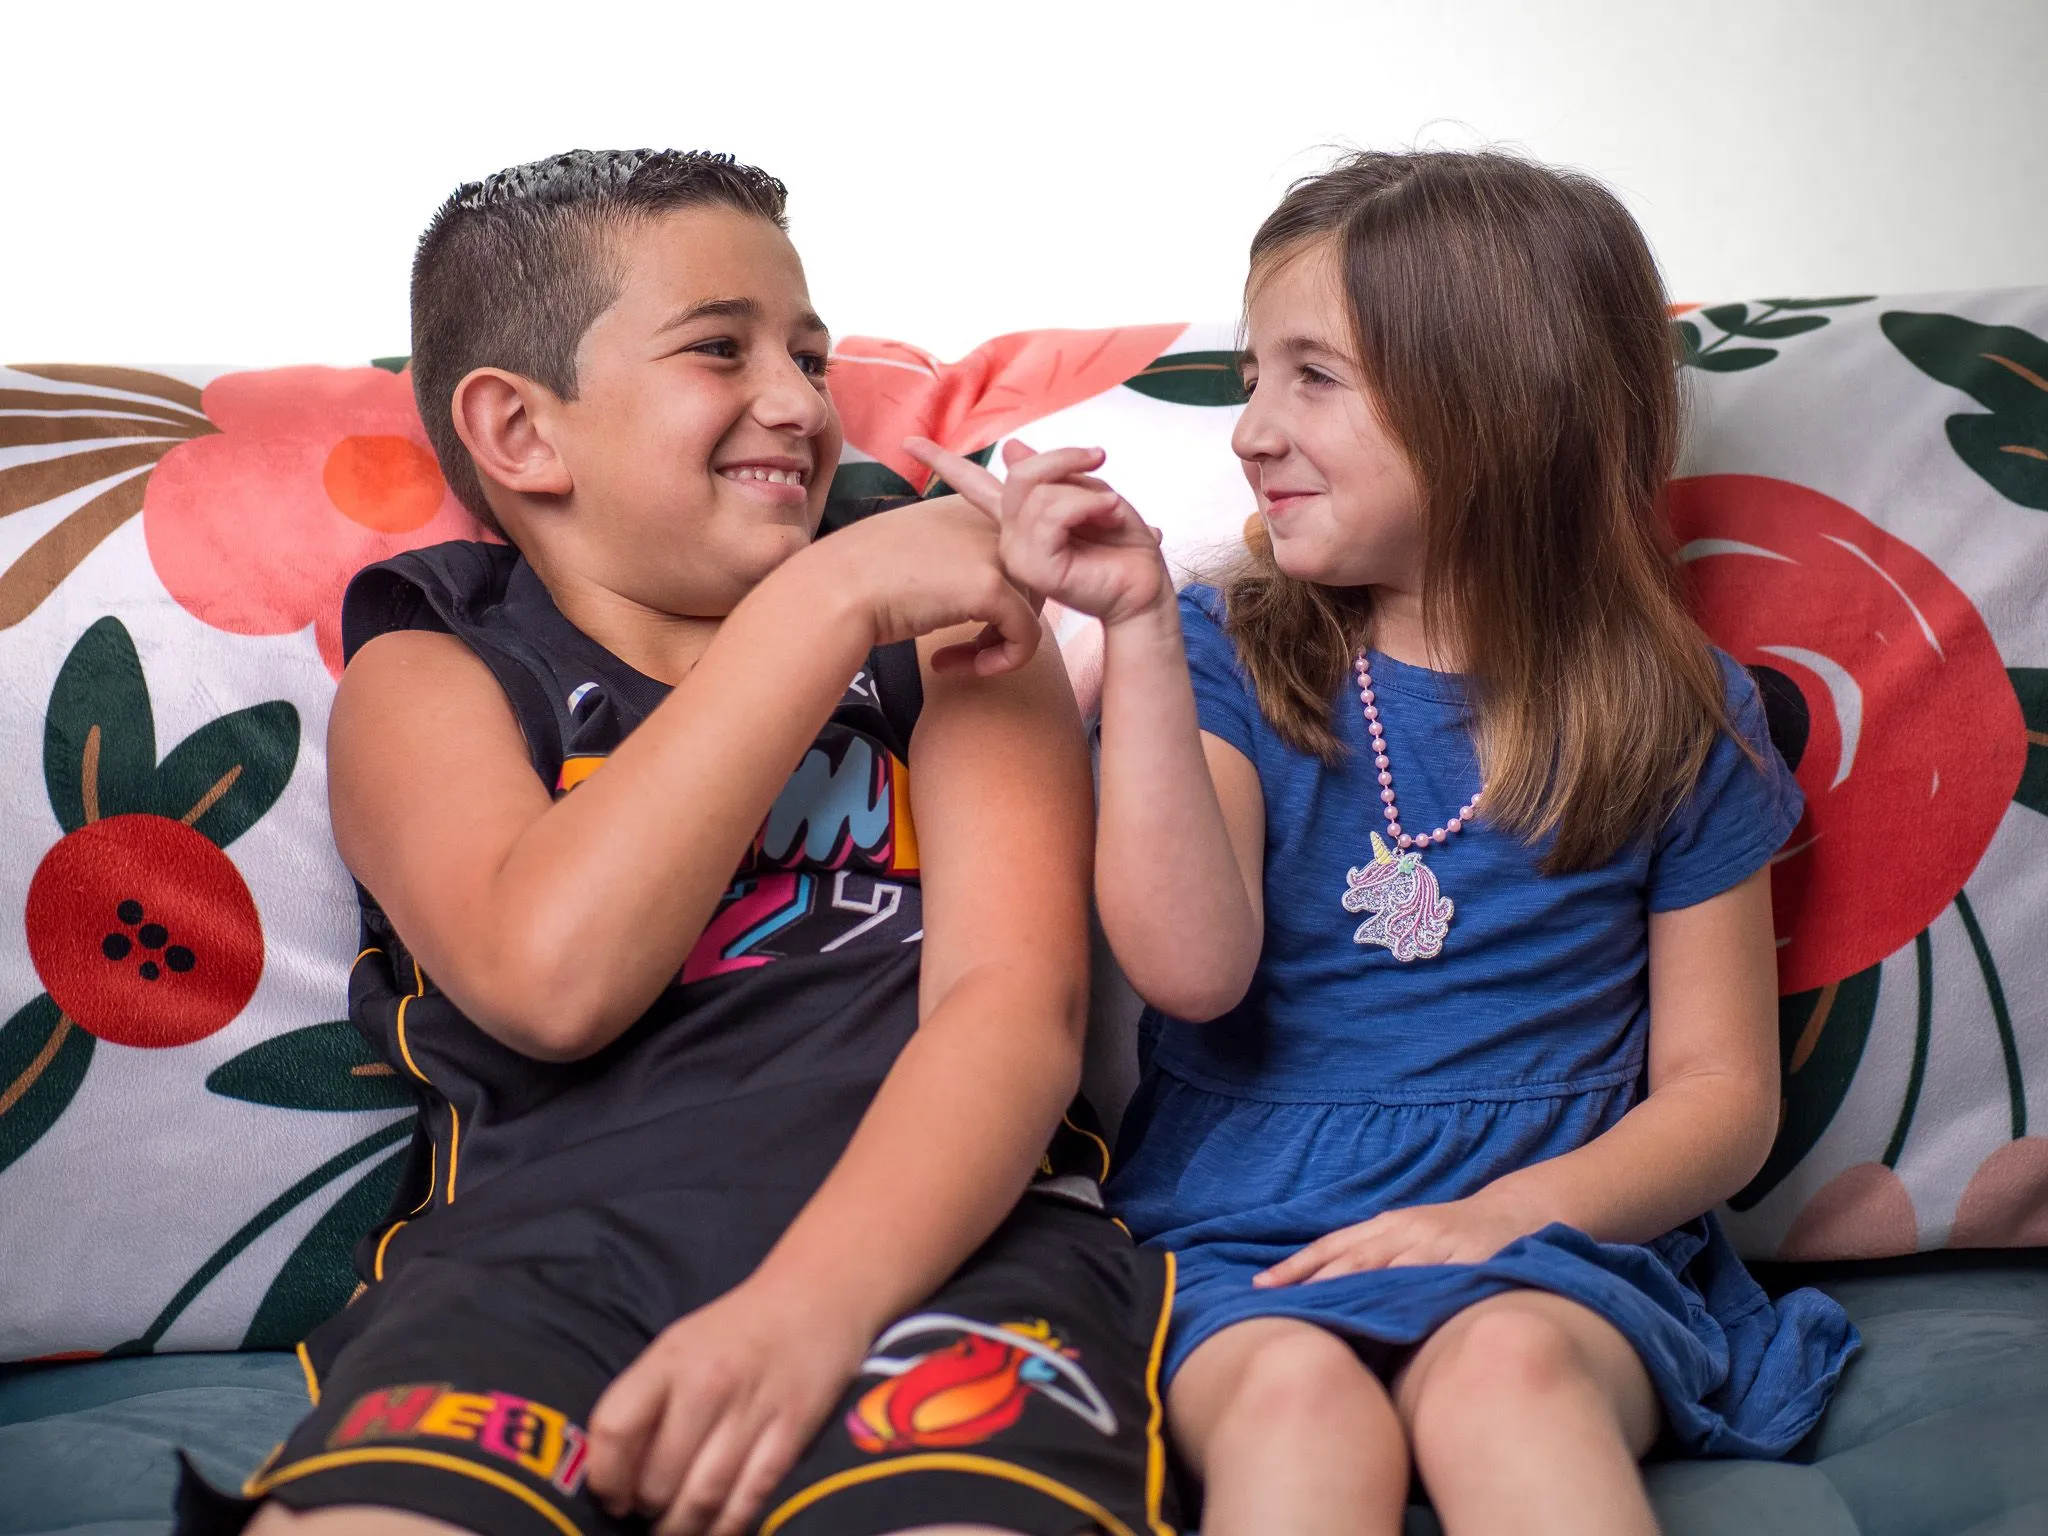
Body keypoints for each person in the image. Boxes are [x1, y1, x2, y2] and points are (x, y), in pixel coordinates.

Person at [177, 149, 1178, 1536]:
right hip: (535, 1281)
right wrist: (826, 599)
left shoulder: (959, 634)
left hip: (955, 1259)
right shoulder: (434, 672)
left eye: (812, 358)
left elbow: (1016, 1013)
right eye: (721, 348)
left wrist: (805, 1315)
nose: (797, 401)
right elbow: (553, 982)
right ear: (520, 435)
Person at [911, 149, 1858, 1536]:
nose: (1249, 429)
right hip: (1249, 1231)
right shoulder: (1222, 653)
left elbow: (1723, 1101)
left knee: (1510, 1378)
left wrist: (1504, 1221)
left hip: (1553, 1235)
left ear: (1501, 405)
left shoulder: (1677, 713)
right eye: (1251, 378)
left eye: (1312, 377)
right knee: (1303, 1408)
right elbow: (1189, 969)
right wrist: (1130, 631)